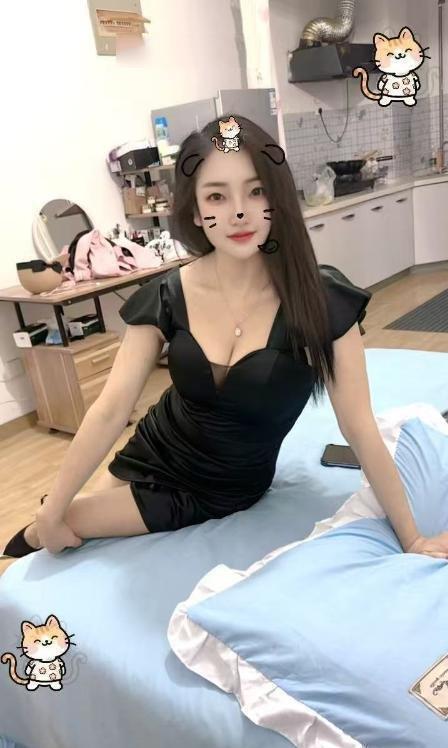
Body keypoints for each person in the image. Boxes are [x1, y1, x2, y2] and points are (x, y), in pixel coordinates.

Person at [3, 114, 372, 558]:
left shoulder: (322, 298)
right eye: (217, 196)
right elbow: (111, 409)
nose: (238, 211)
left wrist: (411, 537)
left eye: (256, 191)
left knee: (62, 525)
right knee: (59, 518)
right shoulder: (168, 292)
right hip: (156, 443)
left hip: (218, 487)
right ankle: (34, 533)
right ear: (196, 212)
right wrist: (54, 509)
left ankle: (33, 534)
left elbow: (359, 427)